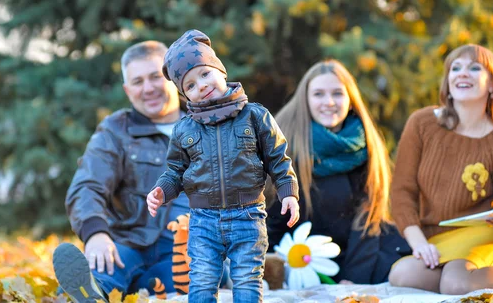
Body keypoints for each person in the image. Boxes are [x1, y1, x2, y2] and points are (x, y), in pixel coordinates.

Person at [146, 29, 300, 303]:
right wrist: (162, 190)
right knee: (203, 280)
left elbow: (278, 157)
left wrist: (288, 191)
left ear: (221, 71)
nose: (201, 86)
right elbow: (175, 172)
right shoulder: (184, 129)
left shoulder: (255, 116)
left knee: (246, 278)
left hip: (248, 215)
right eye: (190, 85)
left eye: (205, 74)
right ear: (185, 95)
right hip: (204, 220)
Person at [52, 41, 190, 302]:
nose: (147, 88)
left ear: (174, 78)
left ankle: (140, 288)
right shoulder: (116, 130)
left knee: (197, 276)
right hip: (129, 243)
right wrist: (95, 233)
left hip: (185, 250)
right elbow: (87, 185)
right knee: (104, 267)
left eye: (155, 77)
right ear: (128, 91)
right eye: (137, 82)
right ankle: (88, 293)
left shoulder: (204, 127)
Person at [389, 44, 493, 294]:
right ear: (448, 83)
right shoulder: (421, 123)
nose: (463, 73)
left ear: (491, 85)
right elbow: (401, 192)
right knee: (401, 274)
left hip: (484, 237)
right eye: (456, 68)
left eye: (475, 68)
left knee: (456, 282)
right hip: (438, 239)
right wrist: (419, 243)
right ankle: (464, 281)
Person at [265, 59, 410, 285]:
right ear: (306, 101)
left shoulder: (365, 145)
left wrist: (353, 279)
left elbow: (368, 218)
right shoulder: (285, 143)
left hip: (360, 253)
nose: (329, 102)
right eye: (319, 94)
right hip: (300, 256)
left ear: (351, 100)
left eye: (338, 94)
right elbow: (273, 215)